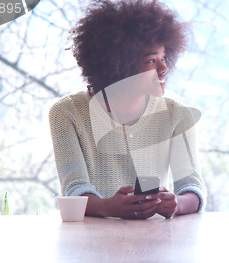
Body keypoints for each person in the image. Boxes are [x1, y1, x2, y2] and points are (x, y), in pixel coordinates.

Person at [49, 0, 206, 219]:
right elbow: (74, 189)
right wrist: (107, 207)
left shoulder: (177, 115)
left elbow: (193, 187)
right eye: (152, 60)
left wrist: (178, 203)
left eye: (164, 57)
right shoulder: (67, 113)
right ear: (120, 64)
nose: (164, 68)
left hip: (159, 242)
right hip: (93, 245)